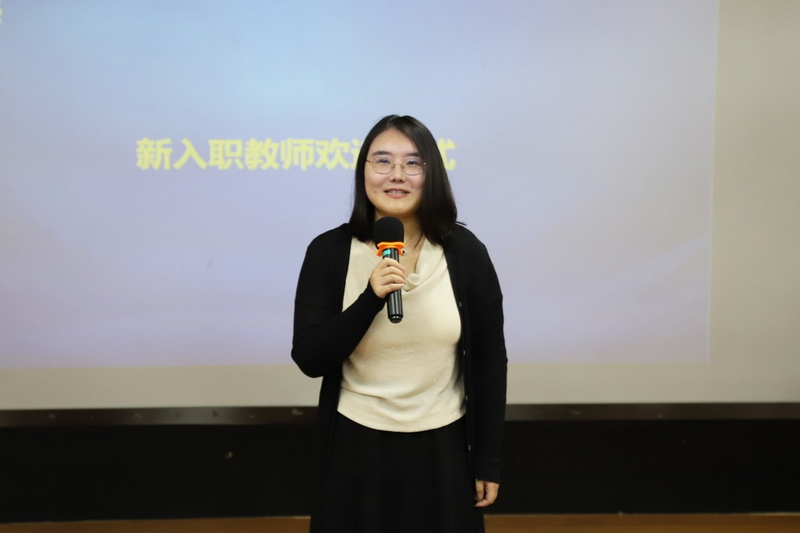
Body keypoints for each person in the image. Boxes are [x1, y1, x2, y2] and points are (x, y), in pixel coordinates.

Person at [292, 115, 507, 533]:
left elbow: (489, 359)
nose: (396, 175)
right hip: (355, 444)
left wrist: (488, 458)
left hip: (444, 445)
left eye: (412, 163)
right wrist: (370, 299)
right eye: (382, 161)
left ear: (432, 175)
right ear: (364, 172)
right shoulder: (329, 252)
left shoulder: (465, 252)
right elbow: (310, 357)